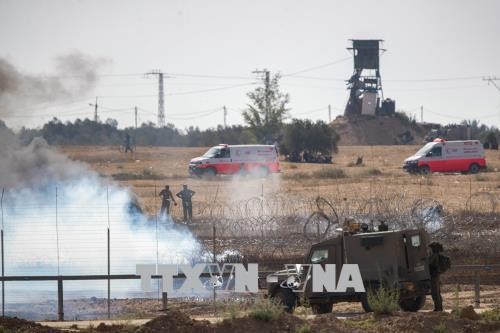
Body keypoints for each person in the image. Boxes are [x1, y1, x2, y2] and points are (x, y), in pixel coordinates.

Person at [428, 242, 444, 311]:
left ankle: (437, 308)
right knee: (437, 292)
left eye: (431, 248)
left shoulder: (434, 256)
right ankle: (439, 307)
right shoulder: (437, 255)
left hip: (434, 276)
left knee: (435, 293)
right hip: (436, 275)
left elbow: (428, 262)